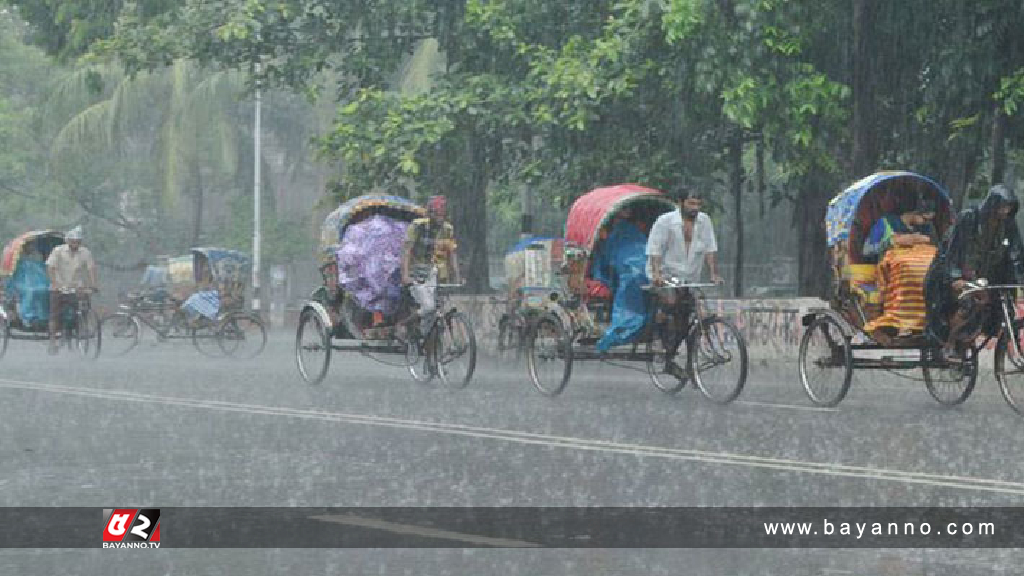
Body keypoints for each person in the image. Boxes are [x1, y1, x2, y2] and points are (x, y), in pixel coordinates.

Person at [925, 184, 1024, 353]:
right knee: (968, 303)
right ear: (992, 204)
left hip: (985, 277)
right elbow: (953, 250)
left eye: (1008, 208)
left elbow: (1015, 254)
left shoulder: (1008, 225)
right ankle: (950, 343)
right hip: (953, 273)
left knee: (1003, 304)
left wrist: (1019, 279)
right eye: (1002, 206)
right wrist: (955, 277)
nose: (1004, 211)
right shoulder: (969, 218)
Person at [646, 188, 723, 380]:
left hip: (689, 276)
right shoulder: (665, 222)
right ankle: (656, 335)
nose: (695, 208)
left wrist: (714, 273)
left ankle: (677, 359)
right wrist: (656, 274)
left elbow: (710, 249)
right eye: (691, 203)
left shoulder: (704, 222)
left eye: (698, 204)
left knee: (687, 319)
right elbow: (655, 249)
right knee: (671, 302)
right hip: (665, 272)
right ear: (680, 203)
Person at [861, 192, 939, 344]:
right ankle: (897, 320)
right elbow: (867, 250)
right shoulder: (885, 223)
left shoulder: (926, 228)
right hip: (893, 272)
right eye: (923, 218)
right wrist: (894, 242)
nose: (924, 223)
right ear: (913, 212)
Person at [401, 195, 461, 340]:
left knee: (437, 308)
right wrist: (405, 275)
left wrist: (457, 276)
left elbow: (451, 254)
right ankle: (404, 325)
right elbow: (407, 251)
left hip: (434, 271)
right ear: (429, 213)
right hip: (416, 270)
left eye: (442, 214)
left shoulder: (447, 229)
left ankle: (431, 340)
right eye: (435, 213)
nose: (439, 217)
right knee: (428, 307)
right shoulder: (417, 226)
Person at [46, 226, 98, 354]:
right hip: (59, 286)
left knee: (84, 305)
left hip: (76, 286)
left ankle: (82, 326)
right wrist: (55, 283)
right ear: (67, 241)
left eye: (78, 241)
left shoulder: (85, 252)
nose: (75, 244)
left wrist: (93, 284)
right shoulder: (58, 251)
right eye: (73, 241)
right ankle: (52, 341)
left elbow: (91, 268)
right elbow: (51, 267)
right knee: (55, 314)